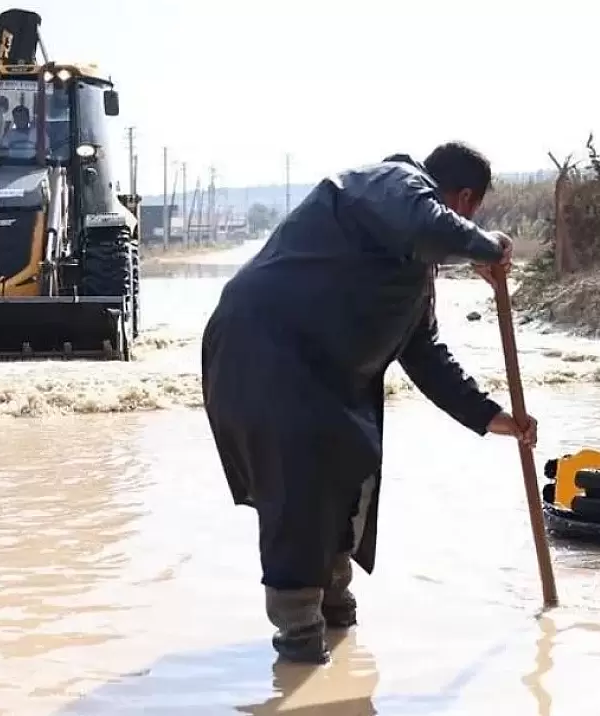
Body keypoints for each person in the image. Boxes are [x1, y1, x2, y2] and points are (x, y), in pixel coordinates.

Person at [199, 141, 539, 664]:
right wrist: (489, 248)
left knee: (349, 474)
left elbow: (424, 356)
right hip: (265, 349)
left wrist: (495, 417)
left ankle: (338, 629)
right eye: (471, 215)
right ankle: (299, 644)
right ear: (464, 199)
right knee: (300, 490)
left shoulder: (410, 266)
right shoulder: (390, 183)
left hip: (324, 374)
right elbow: (430, 226)